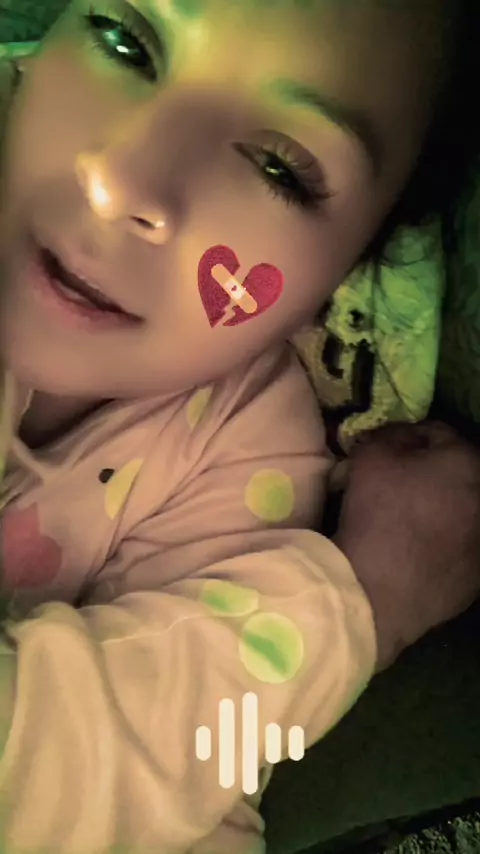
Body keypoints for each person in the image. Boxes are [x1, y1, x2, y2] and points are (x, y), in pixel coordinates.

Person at [0, 1, 478, 852]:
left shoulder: (241, 443)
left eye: (277, 166)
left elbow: (198, 811)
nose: (120, 180)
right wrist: (367, 605)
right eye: (123, 40)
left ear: (358, 271)